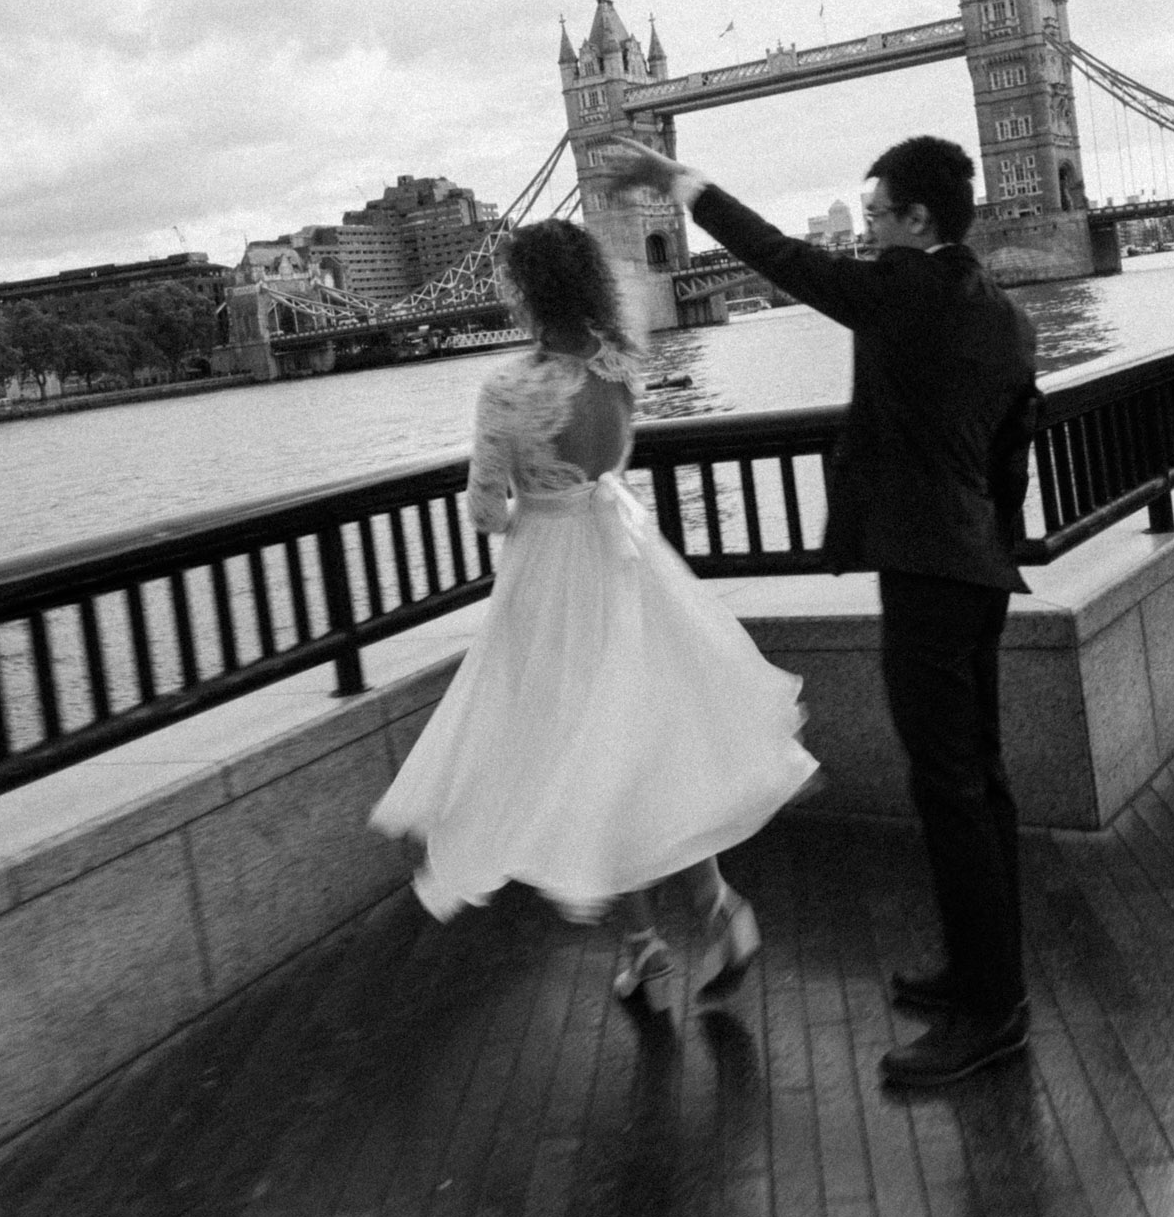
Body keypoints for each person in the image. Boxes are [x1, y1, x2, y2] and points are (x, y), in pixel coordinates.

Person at [610, 135, 1039, 1087]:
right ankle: (982, 970)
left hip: (930, 572)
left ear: (916, 221)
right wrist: (989, 542)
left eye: (878, 211)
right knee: (982, 782)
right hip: (976, 568)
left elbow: (782, 257)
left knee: (951, 789)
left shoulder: (902, 292)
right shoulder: (1002, 315)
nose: (871, 226)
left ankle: (992, 1014)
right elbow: (1013, 451)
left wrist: (680, 182)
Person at [370, 217, 818, 1015]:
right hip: (630, 563)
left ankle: (645, 946)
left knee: (586, 757)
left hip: (551, 580)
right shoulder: (619, 367)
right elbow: (610, 463)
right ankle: (717, 911)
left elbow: (484, 509)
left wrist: (525, 514)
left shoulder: (508, 388)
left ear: (524, 292)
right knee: (648, 740)